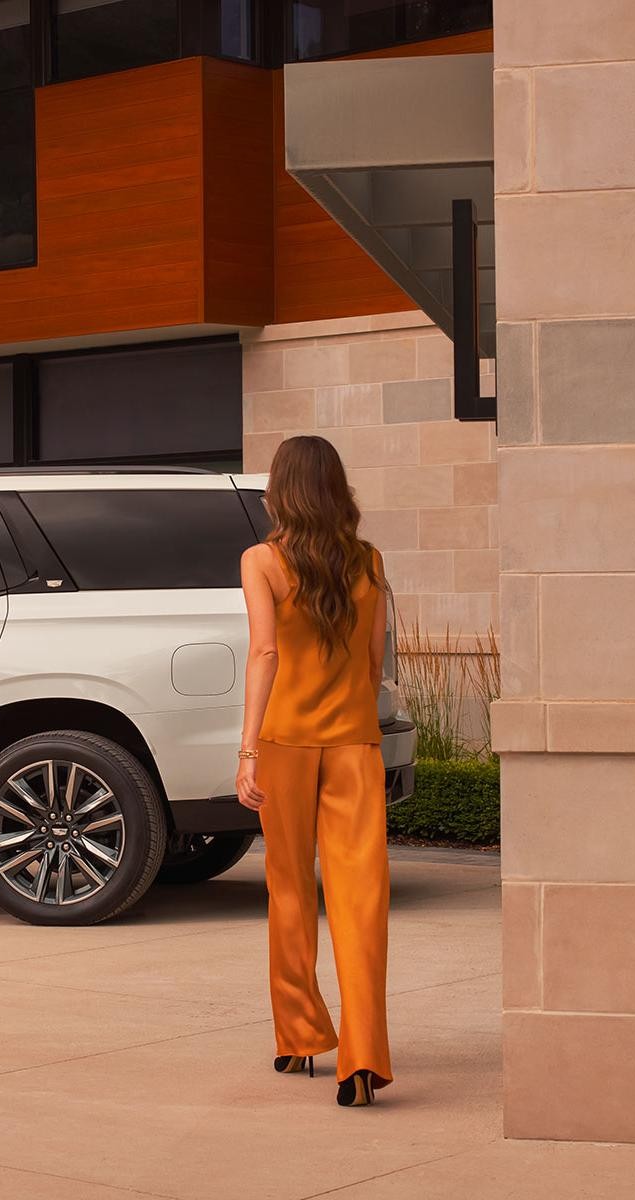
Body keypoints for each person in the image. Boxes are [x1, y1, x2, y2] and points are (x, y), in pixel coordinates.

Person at [237, 435, 393, 1108]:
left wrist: (247, 751)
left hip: (286, 744)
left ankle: (300, 1035)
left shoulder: (261, 560)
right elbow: (373, 662)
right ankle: (361, 1060)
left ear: (281, 488)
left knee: (292, 889)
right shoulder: (369, 561)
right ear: (337, 488)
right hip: (355, 745)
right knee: (361, 902)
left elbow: (264, 653)